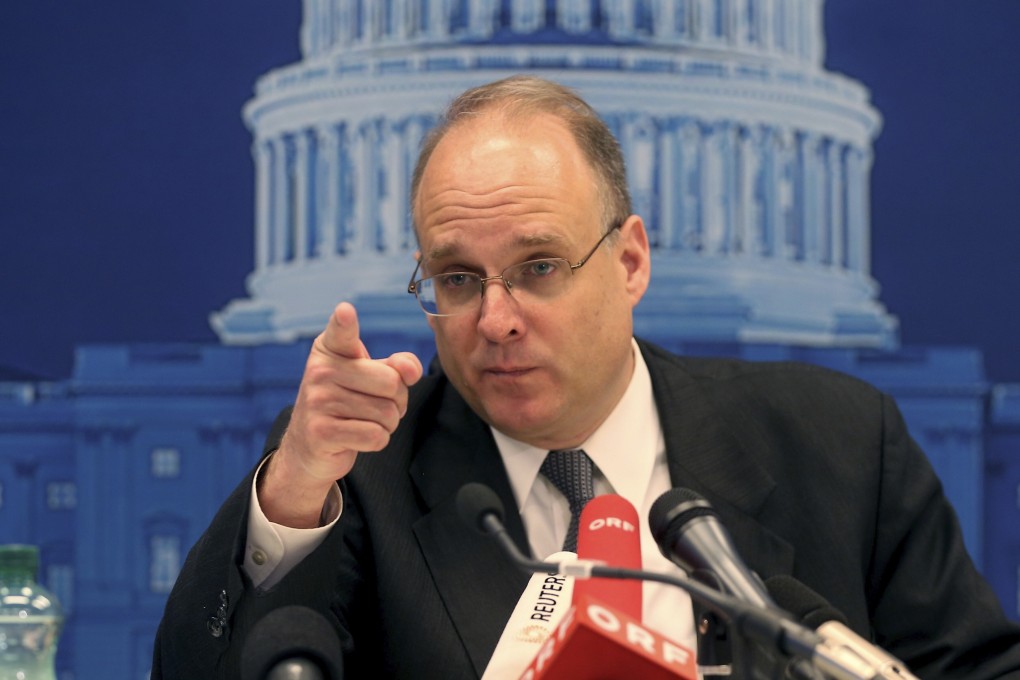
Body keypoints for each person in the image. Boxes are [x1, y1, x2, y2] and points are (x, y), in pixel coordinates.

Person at [152, 75, 1020, 679]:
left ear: (631, 261)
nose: (496, 321)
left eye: (539, 267)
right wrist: (297, 487)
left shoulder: (840, 444)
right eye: (457, 280)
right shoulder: (358, 476)